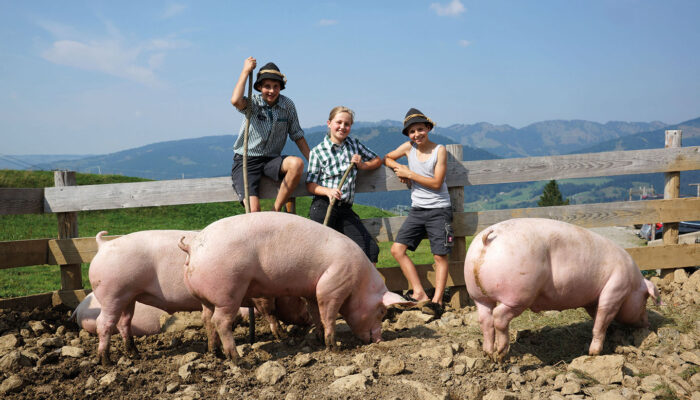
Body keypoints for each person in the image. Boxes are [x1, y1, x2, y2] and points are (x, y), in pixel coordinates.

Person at [384, 108, 454, 313]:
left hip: (439, 209)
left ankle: (437, 301)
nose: (417, 134)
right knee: (397, 250)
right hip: (417, 209)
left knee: (440, 256)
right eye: (412, 131)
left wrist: (410, 174)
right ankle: (419, 293)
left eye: (420, 129)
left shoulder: (439, 150)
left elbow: (436, 183)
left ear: (429, 128)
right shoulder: (409, 147)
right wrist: (399, 170)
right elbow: (387, 158)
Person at [230, 57, 310, 212]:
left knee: (297, 164)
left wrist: (313, 162)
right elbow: (235, 100)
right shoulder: (253, 102)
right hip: (247, 160)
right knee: (253, 212)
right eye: (267, 86)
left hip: (272, 159)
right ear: (259, 87)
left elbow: (297, 135)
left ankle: (276, 210)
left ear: (281, 87)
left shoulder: (287, 105)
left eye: (275, 86)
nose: (271, 90)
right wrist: (246, 71)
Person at [306, 106, 382, 263]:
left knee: (370, 250)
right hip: (324, 206)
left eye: (347, 124)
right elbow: (310, 185)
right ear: (329, 123)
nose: (342, 127)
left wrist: (362, 166)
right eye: (338, 122)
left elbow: (377, 160)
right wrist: (328, 191)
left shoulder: (354, 144)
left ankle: (363, 287)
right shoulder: (317, 152)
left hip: (345, 209)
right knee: (323, 255)